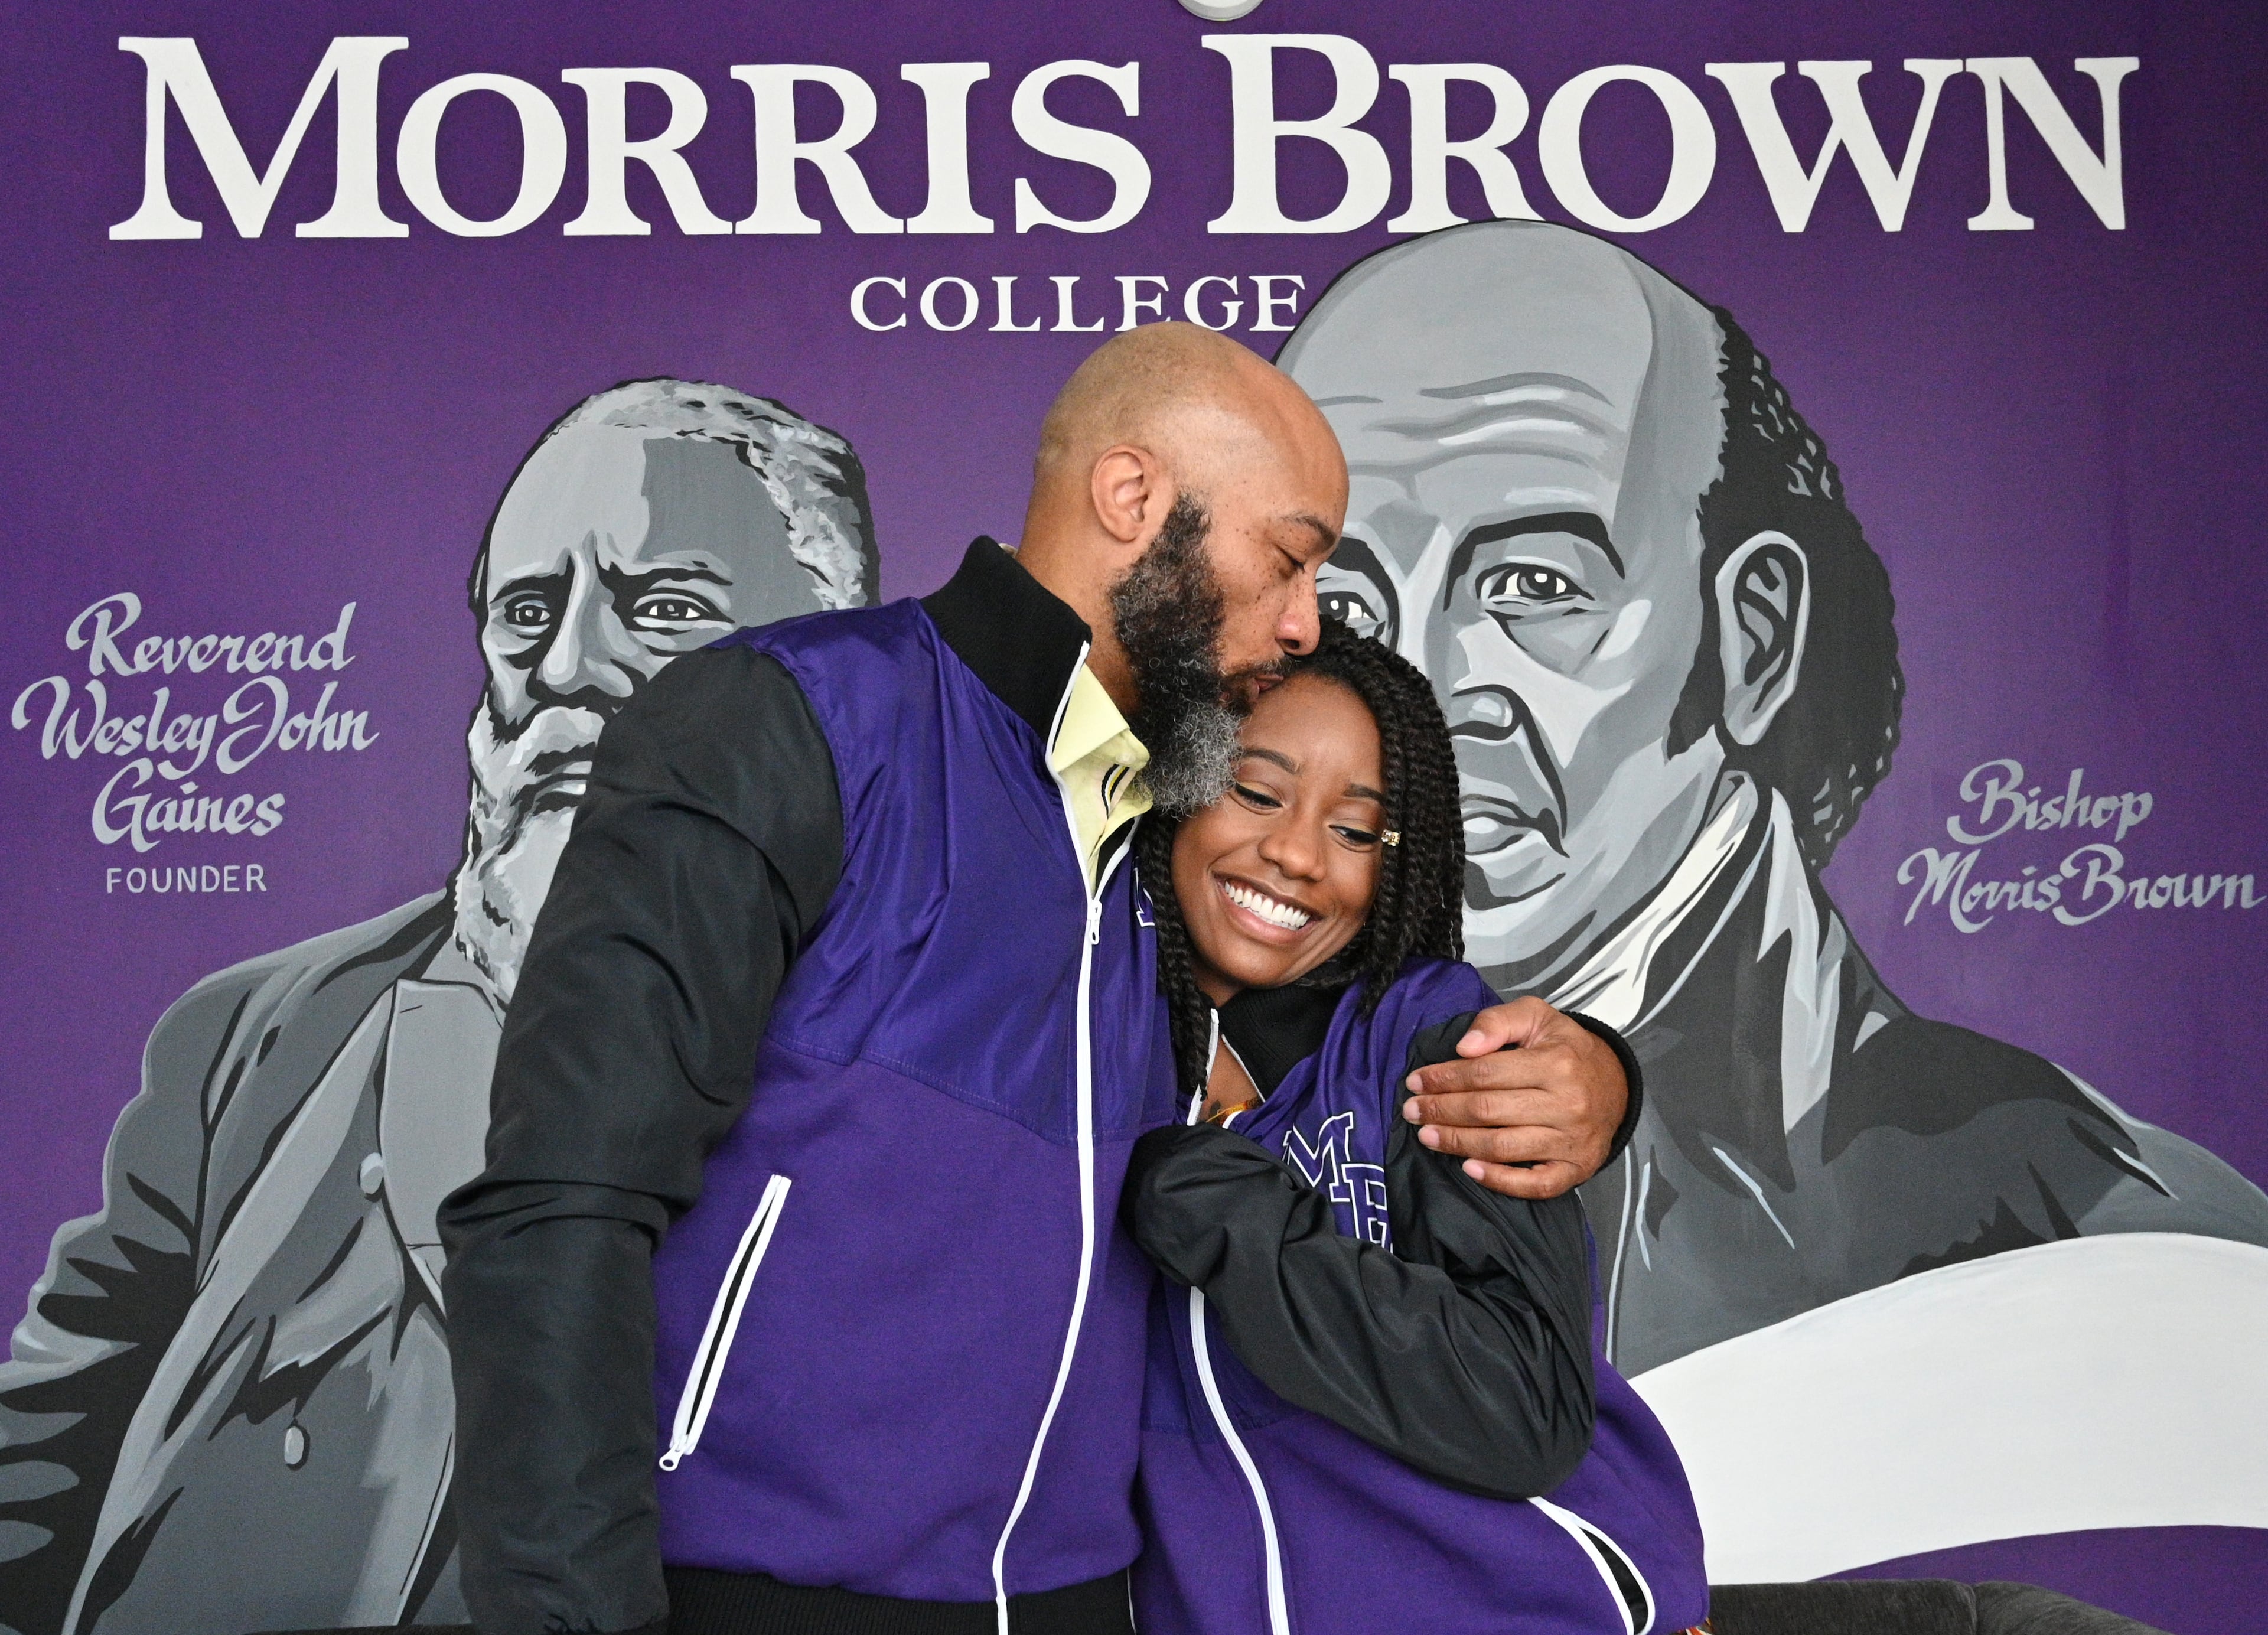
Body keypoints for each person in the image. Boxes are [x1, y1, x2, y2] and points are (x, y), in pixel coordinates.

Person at [439, 323, 1635, 1635]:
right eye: (1288, 557)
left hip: (1079, 1604)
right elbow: (561, 1203)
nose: (1304, 623)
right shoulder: (793, 723)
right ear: (1132, 499)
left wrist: (1603, 1078)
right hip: (764, 1591)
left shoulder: (1165, 832)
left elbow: (1345, 1020)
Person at [1276, 220, 2268, 1376]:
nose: (1434, 691)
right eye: (1346, 607)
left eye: (1535, 585)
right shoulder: (1180, 1103)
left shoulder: (2117, 1240)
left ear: (1753, 640)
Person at [0, 379, 875, 1635]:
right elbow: (46, 1448)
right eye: (529, 611)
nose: (567, 668)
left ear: (830, 659)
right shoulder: (255, 1030)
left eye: (667, 608)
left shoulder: (927, 1049)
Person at [1122, 621, 1706, 1635]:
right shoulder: (1090, 1034)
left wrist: (1209, 1196)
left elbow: (1521, 1406)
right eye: (1256, 793)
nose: (1297, 854)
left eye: (1356, 831)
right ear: (1171, 788)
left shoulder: (1429, 1043)